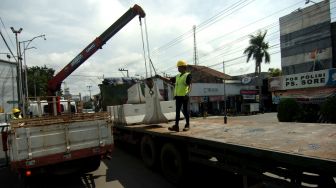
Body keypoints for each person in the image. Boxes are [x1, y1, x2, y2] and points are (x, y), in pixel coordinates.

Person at [168, 60, 192, 132]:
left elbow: (190, 85)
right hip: (178, 96)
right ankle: (176, 126)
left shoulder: (187, 75)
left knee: (185, 111)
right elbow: (170, 80)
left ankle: (187, 125)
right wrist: (159, 77)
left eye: (179, 67)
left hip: (184, 96)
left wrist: (187, 94)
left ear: (184, 67)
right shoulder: (178, 76)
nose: (178, 69)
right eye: (178, 67)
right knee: (177, 111)